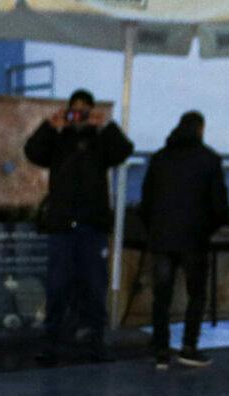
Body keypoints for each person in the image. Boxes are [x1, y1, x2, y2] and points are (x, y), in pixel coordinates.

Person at [24, 90, 133, 364]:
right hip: (62, 227)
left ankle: (96, 344)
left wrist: (105, 125)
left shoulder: (101, 142)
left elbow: (124, 150)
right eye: (75, 110)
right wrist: (51, 125)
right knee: (57, 287)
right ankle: (51, 346)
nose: (79, 116)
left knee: (95, 288)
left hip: (92, 228)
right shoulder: (59, 141)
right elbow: (33, 151)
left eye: (84, 111)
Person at [138, 110, 228, 369]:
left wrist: (154, 228)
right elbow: (219, 206)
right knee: (196, 295)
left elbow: (146, 203)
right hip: (195, 240)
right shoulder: (209, 159)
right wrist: (207, 229)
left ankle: (160, 347)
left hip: (162, 239)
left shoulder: (160, 158)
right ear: (201, 129)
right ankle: (189, 346)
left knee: (162, 296)